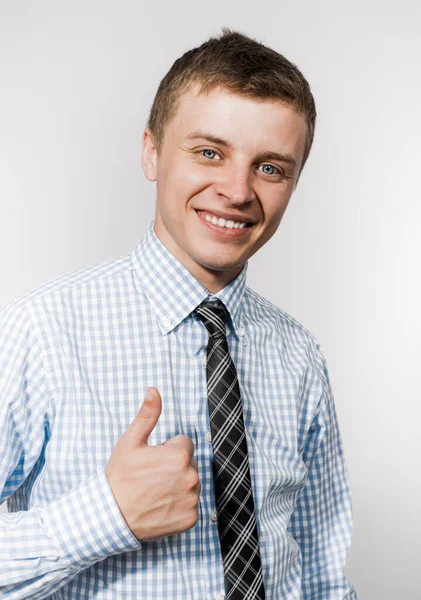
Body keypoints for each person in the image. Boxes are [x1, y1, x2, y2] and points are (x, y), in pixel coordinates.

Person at [0, 28, 358, 599]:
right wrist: (105, 515)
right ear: (151, 151)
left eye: (271, 167)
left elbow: (320, 577)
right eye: (209, 152)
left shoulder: (299, 356)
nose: (238, 191)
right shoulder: (41, 330)